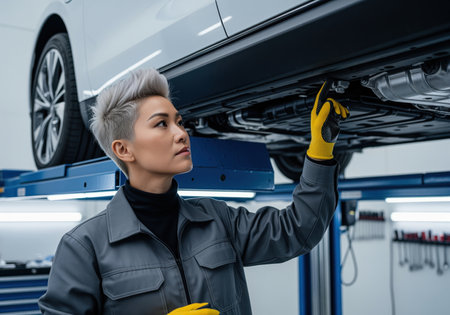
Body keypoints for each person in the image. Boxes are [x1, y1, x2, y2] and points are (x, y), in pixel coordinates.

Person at [38, 68, 349, 315]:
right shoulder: (84, 248)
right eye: (162, 124)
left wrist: (320, 153)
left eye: (179, 121)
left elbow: (297, 231)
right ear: (124, 149)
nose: (181, 133)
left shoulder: (217, 219)